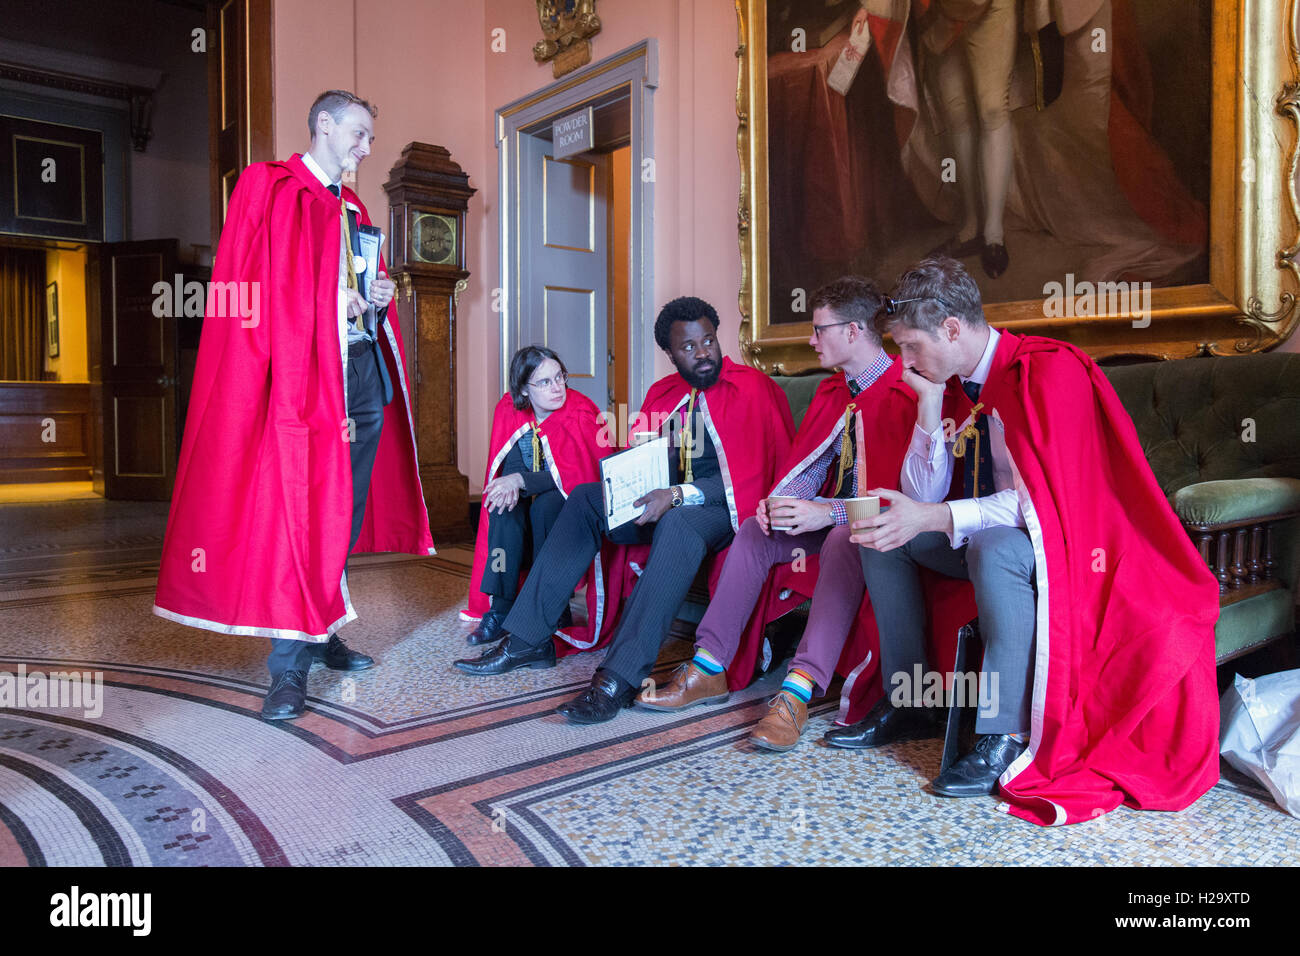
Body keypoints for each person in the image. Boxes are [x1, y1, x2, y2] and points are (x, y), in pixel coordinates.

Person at [839, 255, 1219, 825]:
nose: (905, 362)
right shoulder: (962, 386)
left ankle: (1003, 733)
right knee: (878, 534)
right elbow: (925, 492)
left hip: (1076, 551)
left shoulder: (1049, 370)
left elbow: (1037, 507)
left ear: (951, 328)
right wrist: (927, 406)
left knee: (993, 548)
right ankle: (908, 698)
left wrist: (934, 517)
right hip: (1007, 534)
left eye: (912, 347)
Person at [153, 90, 433, 720]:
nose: (366, 148)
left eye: (369, 137)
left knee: (344, 511)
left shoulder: (355, 206)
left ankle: (321, 626)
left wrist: (379, 295)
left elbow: (358, 286)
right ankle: (288, 670)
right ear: (324, 126)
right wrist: (325, 309)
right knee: (295, 513)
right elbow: (243, 290)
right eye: (358, 134)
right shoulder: (266, 187)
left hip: (359, 375)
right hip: (299, 380)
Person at [454, 297, 794, 725]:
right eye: (688, 347)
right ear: (670, 354)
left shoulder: (753, 388)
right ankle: (526, 639)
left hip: (722, 509)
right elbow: (643, 455)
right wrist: (635, 473)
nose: (703, 352)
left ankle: (616, 680)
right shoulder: (662, 393)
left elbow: (761, 474)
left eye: (709, 340)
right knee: (584, 499)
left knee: (679, 523)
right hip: (661, 501)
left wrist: (676, 494)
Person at [633, 277, 918, 752]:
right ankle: (708, 667)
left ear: (853, 332)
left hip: (878, 532)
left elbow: (906, 502)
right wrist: (780, 504)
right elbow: (808, 465)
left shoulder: (905, 392)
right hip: (826, 521)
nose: (811, 339)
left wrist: (823, 512)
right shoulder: (832, 393)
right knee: (753, 531)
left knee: (841, 538)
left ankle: (795, 694)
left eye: (819, 329)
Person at [460, 346, 608, 649]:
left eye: (559, 377)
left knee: (547, 506)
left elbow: (577, 475)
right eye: (545, 382)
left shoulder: (580, 411)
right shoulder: (509, 409)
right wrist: (512, 482)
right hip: (529, 492)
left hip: (570, 501)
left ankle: (554, 608)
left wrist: (520, 480)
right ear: (524, 390)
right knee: (502, 506)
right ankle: (500, 609)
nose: (557, 388)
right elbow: (510, 467)